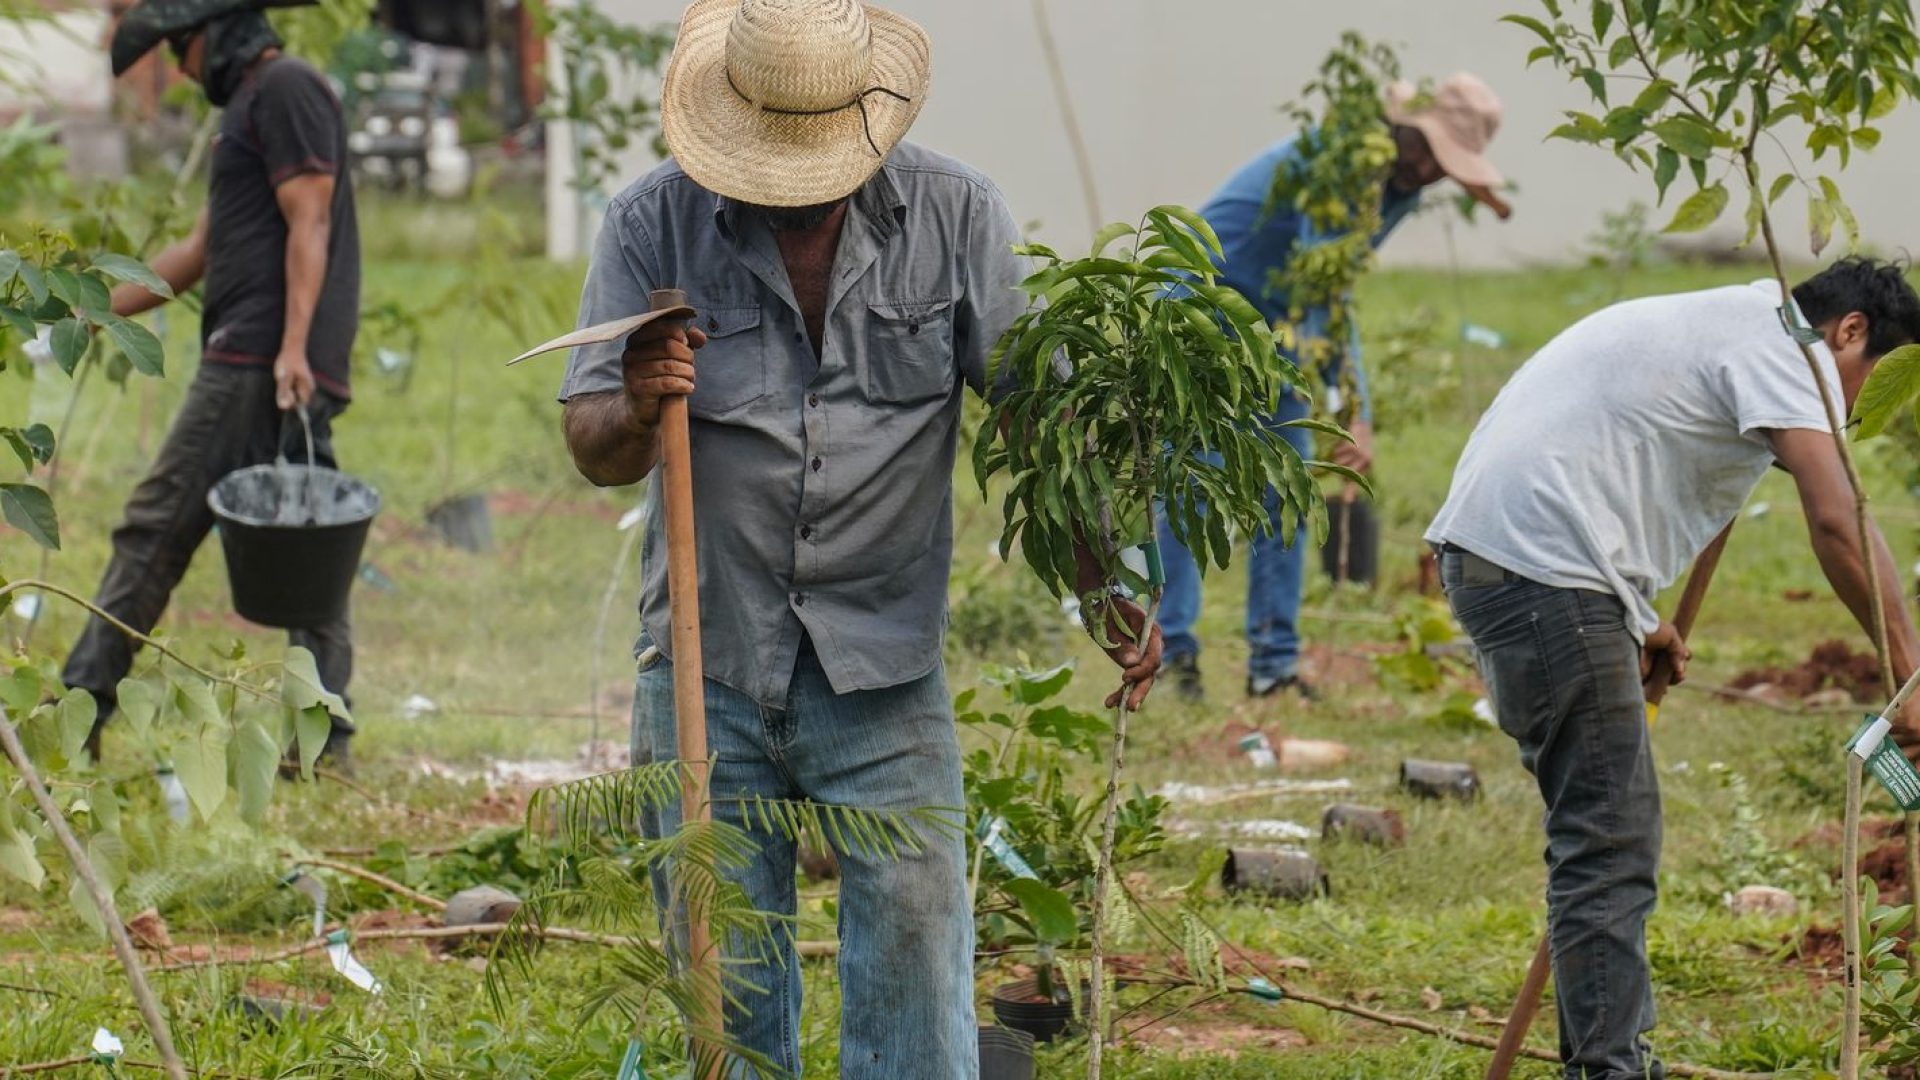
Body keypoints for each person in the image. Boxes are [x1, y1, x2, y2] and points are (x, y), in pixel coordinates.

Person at [554, 1, 1161, 1076]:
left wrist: (1105, 585)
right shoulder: (651, 224)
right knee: (724, 991)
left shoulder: (956, 216)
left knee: (919, 964)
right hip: (711, 660)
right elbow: (592, 441)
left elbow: (1037, 427)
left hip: (882, 668)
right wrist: (642, 401)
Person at [1426, 257, 1920, 1079]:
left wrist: (1641, 613)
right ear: (1851, 331)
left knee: (1602, 830)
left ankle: (1604, 1059)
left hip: (1518, 563)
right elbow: (1838, 522)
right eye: (1867, 390)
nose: (1852, 418)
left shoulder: (1732, 322)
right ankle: (1609, 1070)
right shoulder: (1781, 349)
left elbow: (1615, 445)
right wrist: (1909, 669)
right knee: (1609, 837)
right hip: (1546, 575)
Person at [67, 0, 360, 765]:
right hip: (269, 356)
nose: (182, 66)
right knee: (309, 546)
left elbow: (312, 220)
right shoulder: (251, 107)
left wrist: (292, 348)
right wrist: (85, 305)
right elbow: (200, 248)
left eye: (180, 47)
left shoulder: (287, 87)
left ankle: (77, 711)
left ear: (218, 31)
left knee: (154, 526)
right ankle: (324, 743)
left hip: (258, 358)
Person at [1158, 73, 1512, 702]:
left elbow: (1332, 288)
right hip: (1206, 313)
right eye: (1424, 149)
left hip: (1280, 324)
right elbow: (1320, 287)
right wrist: (1351, 409)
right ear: (1399, 130)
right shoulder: (1337, 167)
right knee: (1194, 485)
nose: (1429, 168)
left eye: (1443, 163)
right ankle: (1172, 658)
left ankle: (1273, 667)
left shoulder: (1398, 186)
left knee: (1285, 492)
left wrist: (1349, 404)